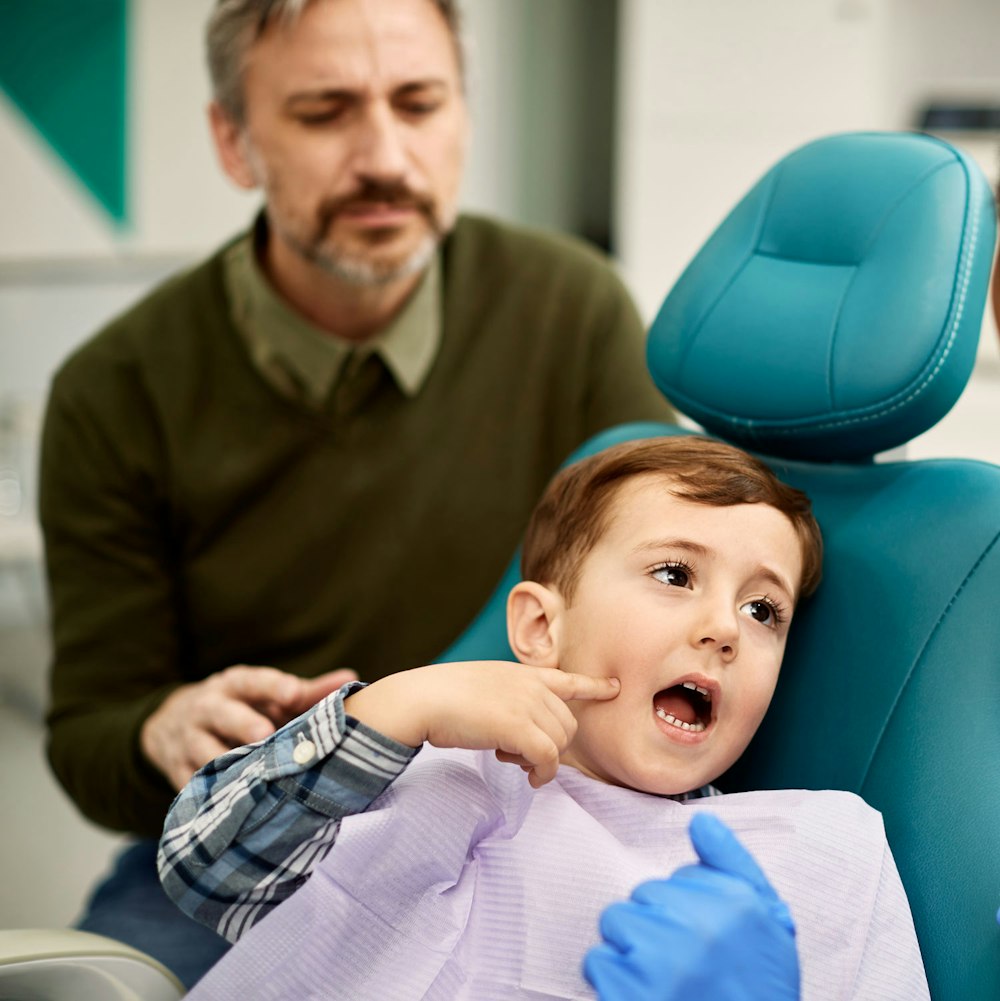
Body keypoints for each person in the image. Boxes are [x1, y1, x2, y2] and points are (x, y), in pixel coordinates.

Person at [38, 0, 673, 985]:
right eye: (324, 112)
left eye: (418, 103)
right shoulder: (114, 391)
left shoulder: (574, 312)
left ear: (462, 113)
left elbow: (657, 602)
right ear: (234, 141)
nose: (384, 157)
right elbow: (90, 730)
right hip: (261, 837)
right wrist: (157, 725)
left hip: (520, 815)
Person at [158, 436, 929, 1000]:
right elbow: (202, 866)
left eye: (764, 609)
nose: (725, 627)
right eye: (675, 573)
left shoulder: (819, 856)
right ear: (539, 628)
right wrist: (389, 706)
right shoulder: (428, 782)